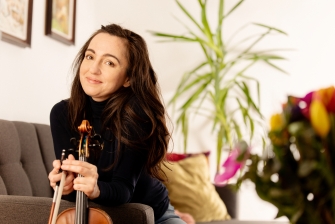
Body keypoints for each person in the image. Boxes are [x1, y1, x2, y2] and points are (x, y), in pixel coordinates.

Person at [48, 23, 186, 224]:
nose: (93, 69)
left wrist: (96, 188)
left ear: (128, 78)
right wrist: (65, 185)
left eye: (109, 63)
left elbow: (123, 190)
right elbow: (75, 197)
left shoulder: (136, 116)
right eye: (90, 56)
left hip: (150, 214)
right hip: (98, 217)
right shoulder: (62, 114)